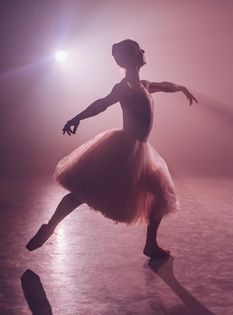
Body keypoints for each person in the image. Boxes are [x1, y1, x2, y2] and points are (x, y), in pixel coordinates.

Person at [26, 39, 197, 259]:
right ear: (132, 57)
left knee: (160, 195)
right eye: (139, 49)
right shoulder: (123, 87)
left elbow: (165, 85)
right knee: (84, 193)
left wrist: (182, 88)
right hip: (123, 149)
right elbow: (102, 103)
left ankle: (150, 245)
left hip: (142, 151)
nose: (144, 51)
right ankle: (49, 227)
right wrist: (77, 118)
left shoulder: (144, 85)